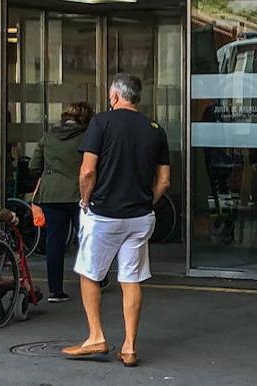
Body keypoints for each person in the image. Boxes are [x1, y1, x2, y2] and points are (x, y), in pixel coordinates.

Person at [64, 73, 169, 369]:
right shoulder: (155, 129)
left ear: (114, 97)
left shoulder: (101, 122)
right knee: (131, 279)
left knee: (89, 273)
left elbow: (87, 171)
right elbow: (164, 181)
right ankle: (130, 346)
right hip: (140, 217)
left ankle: (96, 336)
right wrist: (146, 202)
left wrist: (86, 200)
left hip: (103, 215)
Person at [28, 101, 93, 302]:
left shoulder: (48, 136)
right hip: (79, 194)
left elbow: (33, 165)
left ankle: (55, 290)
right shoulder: (87, 137)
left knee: (54, 242)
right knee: (87, 239)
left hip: (51, 194)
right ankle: (94, 282)